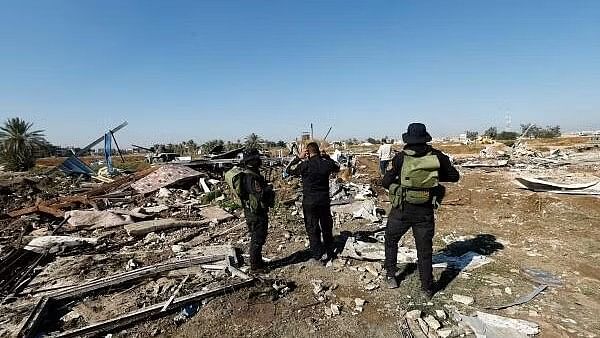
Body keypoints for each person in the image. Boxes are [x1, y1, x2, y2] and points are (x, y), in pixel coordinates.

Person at [382, 123, 459, 298]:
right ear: (425, 138)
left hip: (401, 209)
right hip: (424, 211)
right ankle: (426, 288)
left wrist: (399, 184)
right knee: (424, 250)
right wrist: (435, 177)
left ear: (407, 139)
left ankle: (391, 276)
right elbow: (454, 176)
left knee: (391, 240)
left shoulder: (400, 158)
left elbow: (385, 182)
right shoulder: (437, 156)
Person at [286, 142, 340, 264]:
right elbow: (337, 167)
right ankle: (330, 250)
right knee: (326, 226)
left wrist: (298, 158)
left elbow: (288, 170)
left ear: (307, 153)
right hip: (323, 201)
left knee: (312, 227)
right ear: (318, 151)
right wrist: (326, 157)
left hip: (309, 202)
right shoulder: (326, 164)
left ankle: (317, 254)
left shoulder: (305, 165)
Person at [239, 148, 275, 273]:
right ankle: (255, 266)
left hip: (255, 211)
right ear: (252, 161)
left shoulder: (251, 174)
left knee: (259, 237)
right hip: (255, 213)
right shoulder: (250, 177)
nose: (259, 160)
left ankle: (258, 262)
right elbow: (259, 194)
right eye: (257, 159)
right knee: (257, 238)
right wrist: (269, 189)